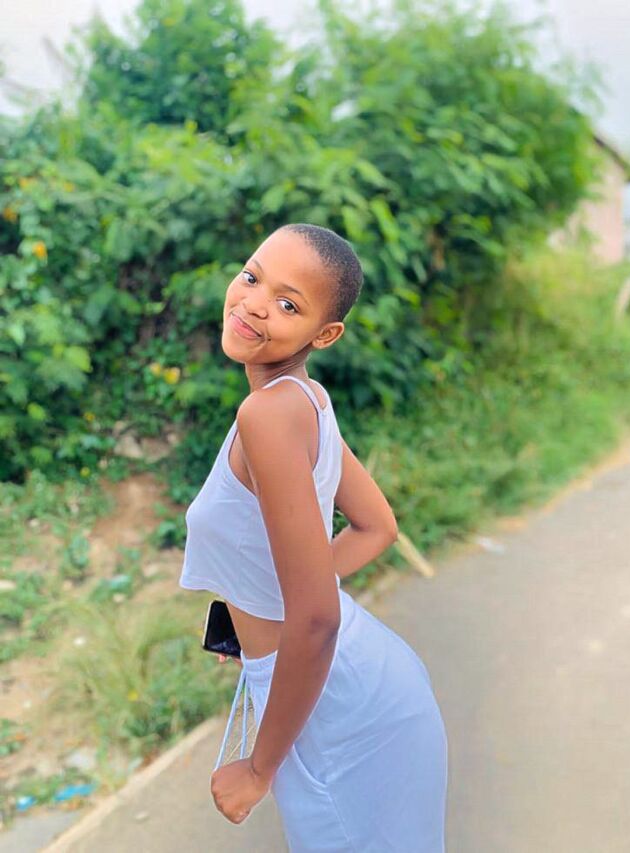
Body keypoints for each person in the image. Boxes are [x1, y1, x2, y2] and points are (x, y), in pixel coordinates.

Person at [179, 223, 448, 851]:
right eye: (252, 277)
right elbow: (376, 527)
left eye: (287, 303)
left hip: (338, 711)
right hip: (352, 683)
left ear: (324, 334)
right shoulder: (304, 400)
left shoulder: (270, 414)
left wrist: (258, 769)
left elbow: (318, 616)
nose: (253, 303)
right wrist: (258, 612)